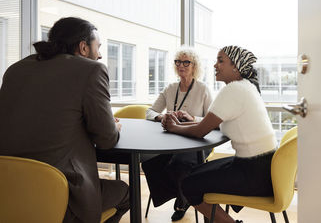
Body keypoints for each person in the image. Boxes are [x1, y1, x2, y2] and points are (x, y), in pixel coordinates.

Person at [0, 17, 129, 223]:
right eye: (98, 47)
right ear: (83, 47)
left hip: (7, 194)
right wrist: (113, 125)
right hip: (61, 196)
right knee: (124, 192)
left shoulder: (15, 69)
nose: (101, 54)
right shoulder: (91, 70)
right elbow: (106, 140)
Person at [162, 45, 277, 223]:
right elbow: (212, 124)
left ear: (236, 67)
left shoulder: (234, 90)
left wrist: (174, 127)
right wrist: (179, 124)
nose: (215, 65)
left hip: (252, 172)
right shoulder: (245, 87)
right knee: (194, 173)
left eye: (220, 61)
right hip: (263, 167)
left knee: (188, 184)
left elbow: (201, 131)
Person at [143, 46, 213, 221]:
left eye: (186, 62)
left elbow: (212, 119)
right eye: (178, 62)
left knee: (179, 164)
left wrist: (192, 117)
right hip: (172, 140)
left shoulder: (203, 89)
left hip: (197, 141)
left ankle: (182, 202)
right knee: (149, 163)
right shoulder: (170, 88)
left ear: (194, 66)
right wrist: (162, 116)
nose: (181, 65)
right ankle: (184, 194)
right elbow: (149, 112)